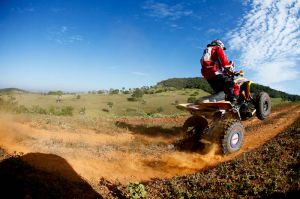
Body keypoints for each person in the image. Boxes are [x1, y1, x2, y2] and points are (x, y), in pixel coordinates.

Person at [200, 39, 240, 104]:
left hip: (208, 77)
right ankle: (233, 104)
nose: (223, 49)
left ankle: (216, 104)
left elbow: (203, 63)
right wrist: (233, 72)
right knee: (235, 87)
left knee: (221, 92)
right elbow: (225, 63)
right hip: (216, 73)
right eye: (222, 48)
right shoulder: (217, 48)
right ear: (220, 45)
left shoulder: (206, 50)